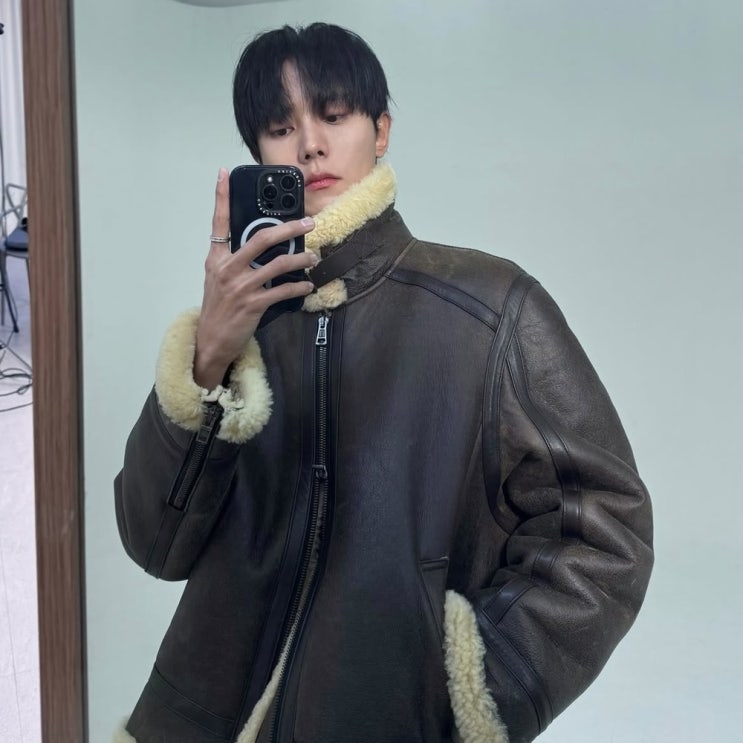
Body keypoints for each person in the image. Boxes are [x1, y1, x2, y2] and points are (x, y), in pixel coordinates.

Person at [114, 22, 653, 743]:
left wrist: (473, 684)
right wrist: (208, 356)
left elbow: (606, 528)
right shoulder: (237, 333)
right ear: (257, 155)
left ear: (381, 129)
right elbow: (155, 545)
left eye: (333, 114)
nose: (309, 145)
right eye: (280, 127)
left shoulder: (489, 306)